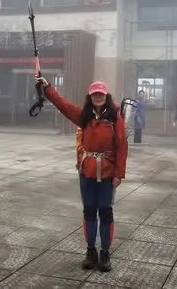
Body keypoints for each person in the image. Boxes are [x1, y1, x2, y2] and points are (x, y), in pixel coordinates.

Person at [36, 77, 127, 273]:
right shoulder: (83, 116)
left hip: (107, 173)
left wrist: (119, 174)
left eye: (101, 94)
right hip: (86, 172)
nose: (98, 97)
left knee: (105, 211)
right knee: (89, 211)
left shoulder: (115, 118)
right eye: (95, 94)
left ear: (106, 96)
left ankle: (105, 253)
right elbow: (64, 105)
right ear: (90, 96)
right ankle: (90, 251)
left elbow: (122, 146)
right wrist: (47, 88)